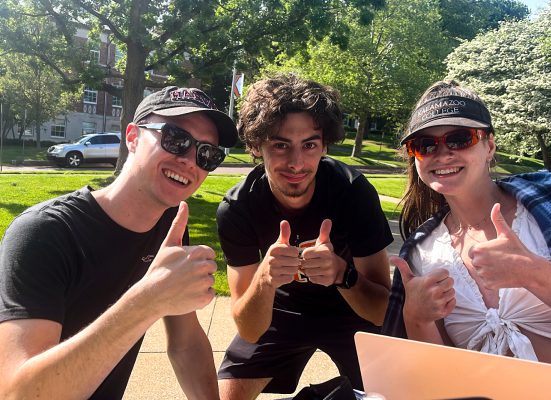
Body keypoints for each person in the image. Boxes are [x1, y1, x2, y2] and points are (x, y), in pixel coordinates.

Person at [0, 86, 238, 399]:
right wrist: (147, 300)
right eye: (176, 139)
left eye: (208, 154)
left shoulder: (170, 226)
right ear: (133, 137)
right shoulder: (45, 233)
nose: (191, 161)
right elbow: (18, 394)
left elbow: (185, 343)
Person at [382, 80, 551, 371]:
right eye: (424, 145)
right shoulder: (422, 253)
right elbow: (437, 375)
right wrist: (416, 318)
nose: (442, 153)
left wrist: (536, 275)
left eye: (460, 138)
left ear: (490, 146)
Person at [216, 74, 394, 399]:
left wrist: (342, 274)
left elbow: (383, 310)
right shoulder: (238, 208)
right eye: (280, 145)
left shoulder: (353, 193)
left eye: (309, 145)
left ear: (325, 145)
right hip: (283, 310)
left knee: (399, 392)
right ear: (257, 146)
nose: (296, 162)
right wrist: (265, 280)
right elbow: (249, 328)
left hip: (351, 306)